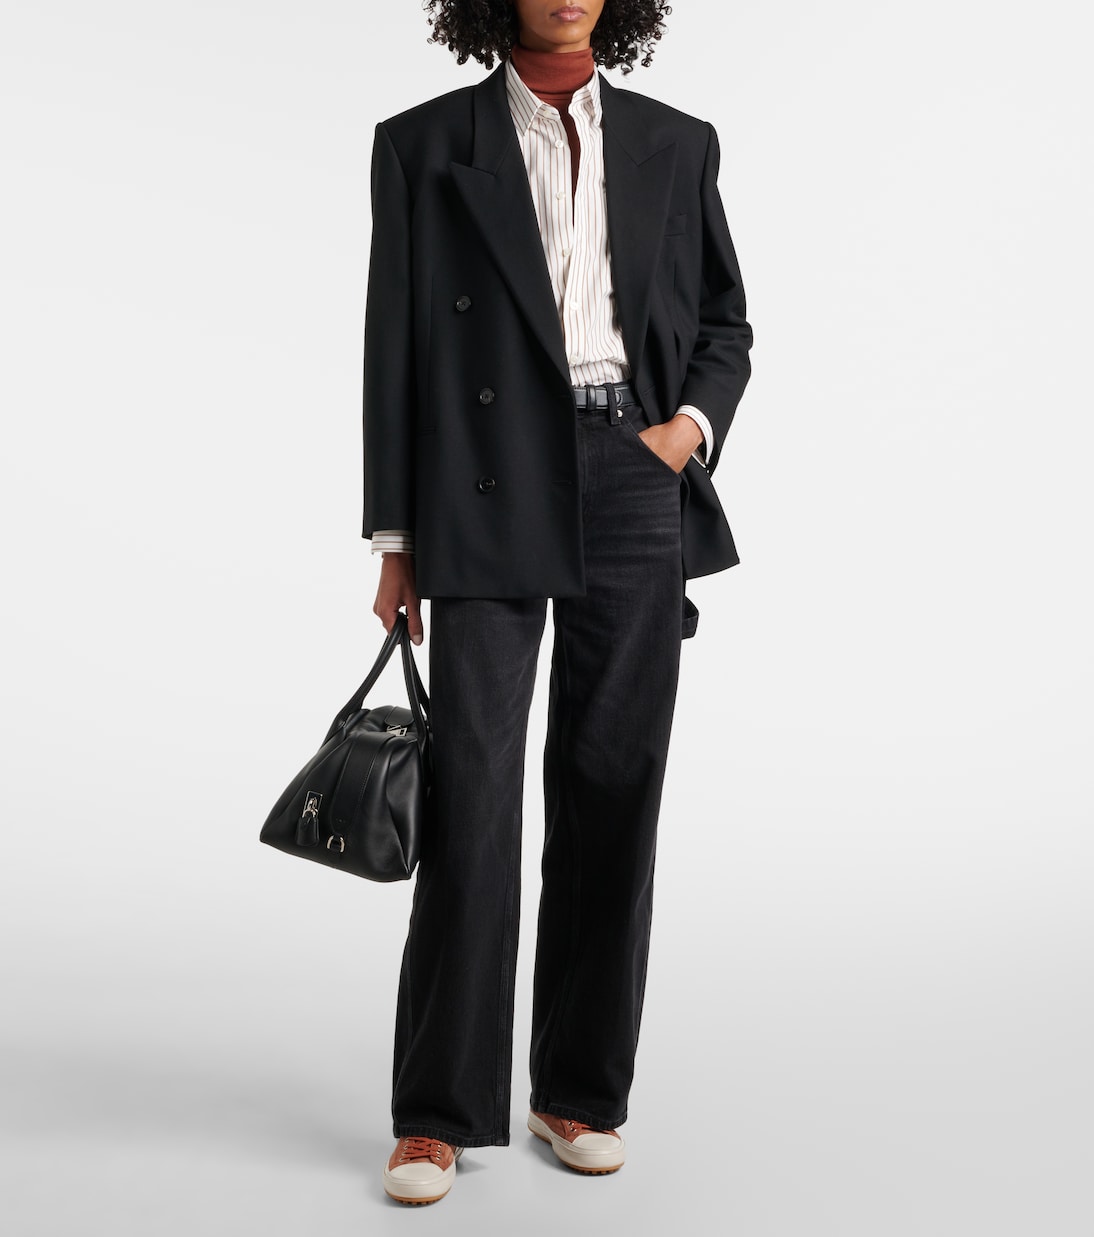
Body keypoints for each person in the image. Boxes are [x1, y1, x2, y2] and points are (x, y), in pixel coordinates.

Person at [362, 0, 752, 1205]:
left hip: (632, 473)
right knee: (472, 792)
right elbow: (394, 348)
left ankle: (577, 1090)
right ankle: (435, 1114)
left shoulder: (676, 142)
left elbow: (725, 322)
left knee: (612, 781)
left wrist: (681, 433)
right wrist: (395, 542)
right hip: (484, 484)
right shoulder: (423, 143)